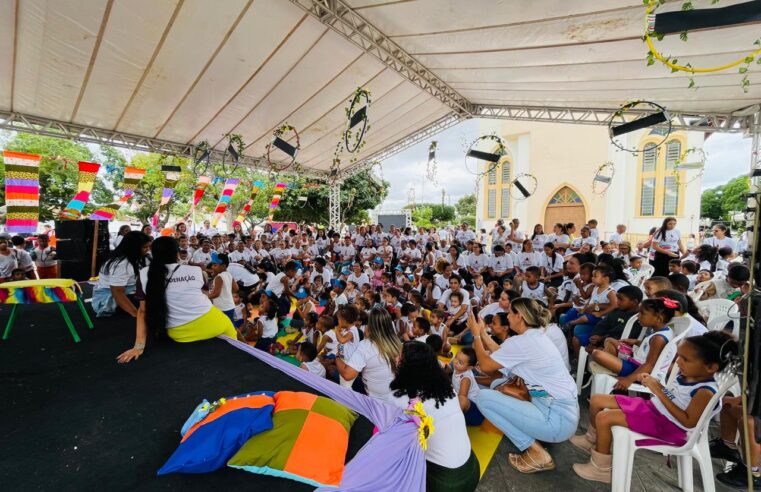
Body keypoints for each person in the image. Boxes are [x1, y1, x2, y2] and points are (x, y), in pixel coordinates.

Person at [572, 331, 738, 483]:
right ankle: (592, 440)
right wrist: (656, 385)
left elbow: (688, 422)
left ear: (711, 367)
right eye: (678, 356)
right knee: (597, 400)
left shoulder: (705, 391)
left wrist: (658, 390)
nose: (678, 362)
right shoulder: (690, 375)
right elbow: (674, 397)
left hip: (669, 428)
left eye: (685, 359)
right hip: (655, 410)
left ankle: (601, 469)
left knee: (604, 417)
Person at [468, 298, 579, 473]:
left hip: (556, 420)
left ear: (519, 316)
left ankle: (536, 452)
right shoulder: (534, 336)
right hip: (561, 412)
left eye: (510, 313)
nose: (508, 316)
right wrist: (482, 333)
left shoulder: (523, 341)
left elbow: (485, 366)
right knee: (496, 386)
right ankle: (536, 443)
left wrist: (475, 335)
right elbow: (501, 354)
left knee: (483, 398)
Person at [116, 236, 238, 363]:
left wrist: (138, 347)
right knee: (230, 330)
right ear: (177, 253)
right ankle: (237, 358)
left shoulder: (144, 274)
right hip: (211, 322)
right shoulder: (196, 271)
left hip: (178, 333)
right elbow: (205, 295)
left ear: (153, 253)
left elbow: (142, 311)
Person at [389, 342, 480, 492]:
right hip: (472, 467)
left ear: (407, 366)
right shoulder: (447, 388)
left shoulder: (400, 398)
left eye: (400, 357)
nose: (396, 358)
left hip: (447, 483)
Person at [335, 307, 401, 402]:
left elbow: (347, 375)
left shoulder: (366, 345)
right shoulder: (396, 342)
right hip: (394, 395)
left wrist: (337, 357)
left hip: (375, 399)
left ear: (371, 326)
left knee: (342, 384)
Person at [91, 232, 150, 318]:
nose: (148, 249)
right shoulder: (121, 264)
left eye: (149, 246)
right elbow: (117, 292)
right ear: (134, 247)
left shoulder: (139, 257)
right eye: (145, 247)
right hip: (108, 299)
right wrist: (137, 314)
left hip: (126, 291)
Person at [453, 347, 484, 426]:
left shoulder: (465, 379)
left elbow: (462, 397)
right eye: (456, 357)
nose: (455, 362)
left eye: (460, 362)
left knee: (462, 398)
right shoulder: (458, 368)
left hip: (476, 413)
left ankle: (453, 419)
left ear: (469, 368)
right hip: (466, 408)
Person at [207, 253, 238, 323]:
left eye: (215, 265)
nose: (212, 267)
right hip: (230, 306)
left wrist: (205, 296)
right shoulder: (229, 274)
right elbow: (236, 288)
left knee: (224, 326)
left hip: (222, 308)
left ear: (223, 266)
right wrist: (226, 292)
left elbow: (216, 294)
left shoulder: (219, 277)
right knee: (231, 326)